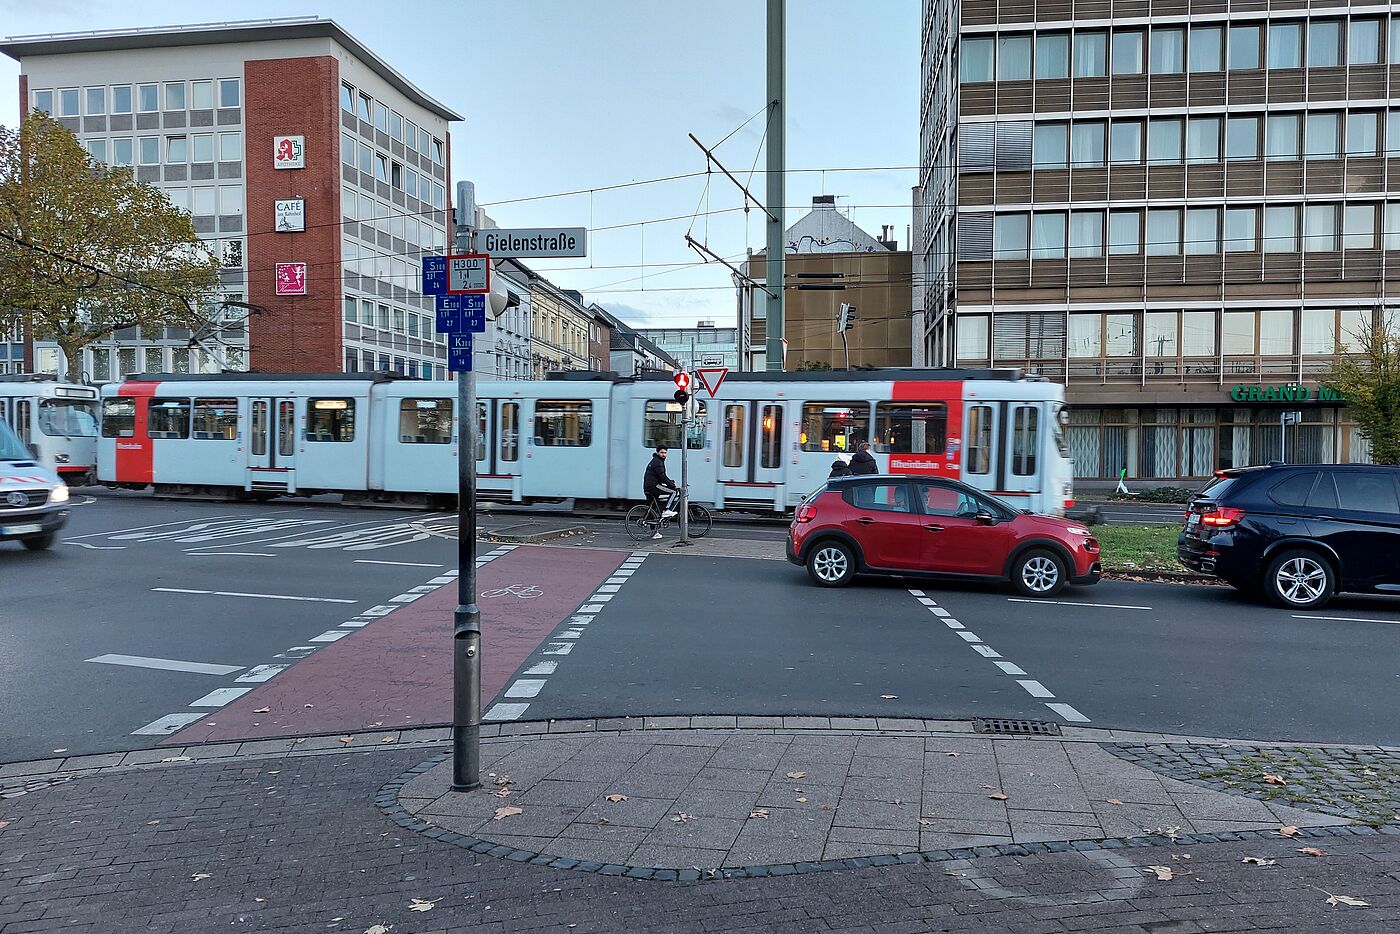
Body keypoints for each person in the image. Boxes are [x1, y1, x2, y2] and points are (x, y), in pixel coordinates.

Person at [643, 446, 678, 539]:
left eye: (665, 453)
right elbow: (662, 476)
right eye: (662, 453)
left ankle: (655, 533)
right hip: (653, 486)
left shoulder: (656, 460)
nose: (664, 455)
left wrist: (670, 481)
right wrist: (672, 486)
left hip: (649, 486)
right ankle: (667, 510)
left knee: (653, 509)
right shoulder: (658, 462)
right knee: (673, 492)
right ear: (658, 452)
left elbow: (660, 476)